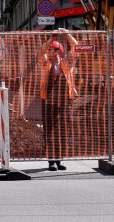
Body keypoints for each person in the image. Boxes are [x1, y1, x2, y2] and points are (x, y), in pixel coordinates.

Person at [38, 28, 79, 171]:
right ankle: (51, 161)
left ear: (60, 52)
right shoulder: (45, 63)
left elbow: (76, 47)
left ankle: (59, 159)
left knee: (63, 130)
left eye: (55, 50)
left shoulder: (67, 63)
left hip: (63, 102)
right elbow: (40, 52)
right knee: (49, 130)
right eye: (50, 50)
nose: (51, 53)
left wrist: (67, 34)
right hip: (48, 101)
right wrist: (51, 39)